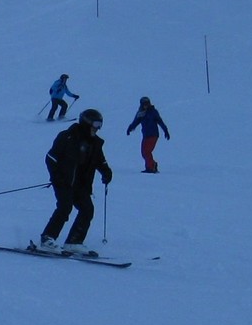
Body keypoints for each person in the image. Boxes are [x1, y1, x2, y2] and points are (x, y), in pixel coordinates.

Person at [36, 109, 112, 251]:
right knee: (65, 207)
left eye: (100, 124)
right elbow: (51, 158)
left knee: (87, 209)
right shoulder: (67, 137)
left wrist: (106, 172)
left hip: (82, 184)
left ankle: (74, 242)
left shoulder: (95, 143)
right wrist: (56, 177)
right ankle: (47, 238)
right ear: (86, 123)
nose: (98, 128)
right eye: (96, 124)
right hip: (64, 181)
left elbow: (100, 161)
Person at [126, 96, 170, 172]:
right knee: (144, 152)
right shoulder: (141, 113)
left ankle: (150, 167)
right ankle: (152, 164)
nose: (146, 106)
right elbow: (136, 121)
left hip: (153, 135)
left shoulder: (153, 112)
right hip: (146, 135)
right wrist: (130, 128)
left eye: (147, 104)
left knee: (146, 151)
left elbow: (160, 121)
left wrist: (165, 130)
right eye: (144, 104)